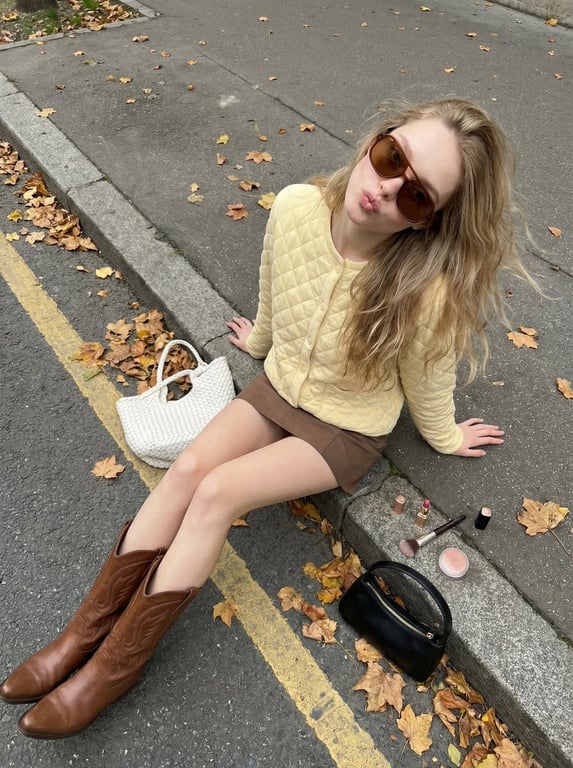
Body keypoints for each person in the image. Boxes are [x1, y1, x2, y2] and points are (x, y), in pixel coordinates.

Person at [1, 97, 534, 739]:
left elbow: (428, 377)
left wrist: (445, 436)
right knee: (188, 470)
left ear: (429, 221)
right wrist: (257, 341)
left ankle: (115, 667)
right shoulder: (297, 207)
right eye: (392, 157)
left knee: (217, 493)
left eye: (416, 196)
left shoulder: (426, 289)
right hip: (280, 387)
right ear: (379, 138)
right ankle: (81, 636)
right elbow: (276, 288)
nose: (385, 188)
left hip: (345, 428)